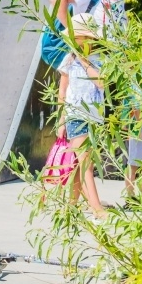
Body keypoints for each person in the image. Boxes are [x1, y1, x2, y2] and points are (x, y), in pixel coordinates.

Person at [56, 13, 107, 219]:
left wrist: (84, 61)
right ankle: (97, 208)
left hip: (95, 117)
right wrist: (61, 120)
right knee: (85, 162)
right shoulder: (68, 59)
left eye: (76, 37)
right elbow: (62, 90)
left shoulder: (100, 60)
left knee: (80, 164)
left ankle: (71, 204)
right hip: (76, 115)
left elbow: (102, 83)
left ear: (87, 38)